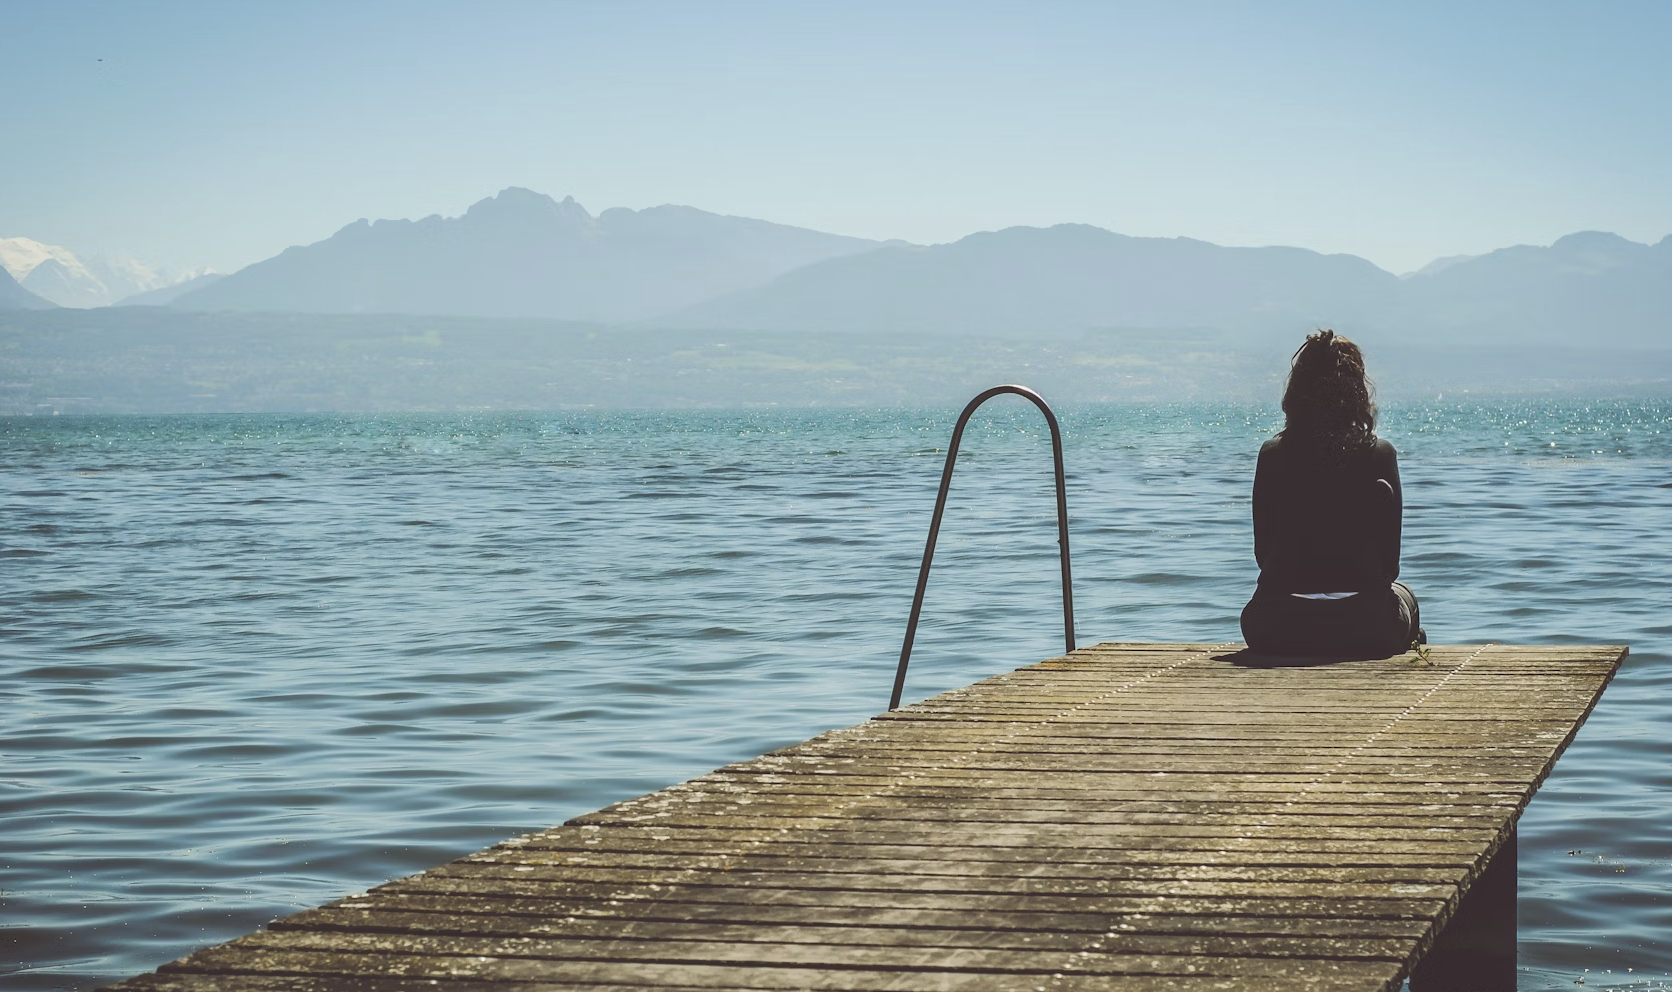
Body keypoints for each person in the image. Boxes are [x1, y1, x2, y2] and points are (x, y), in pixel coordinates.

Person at [1240, 329, 1423, 657]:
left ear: (1296, 391)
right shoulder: (1380, 455)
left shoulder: (1272, 455)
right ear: (1357, 392)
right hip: (1367, 626)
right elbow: (1390, 567)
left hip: (1277, 624)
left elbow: (1263, 556)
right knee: (1405, 596)